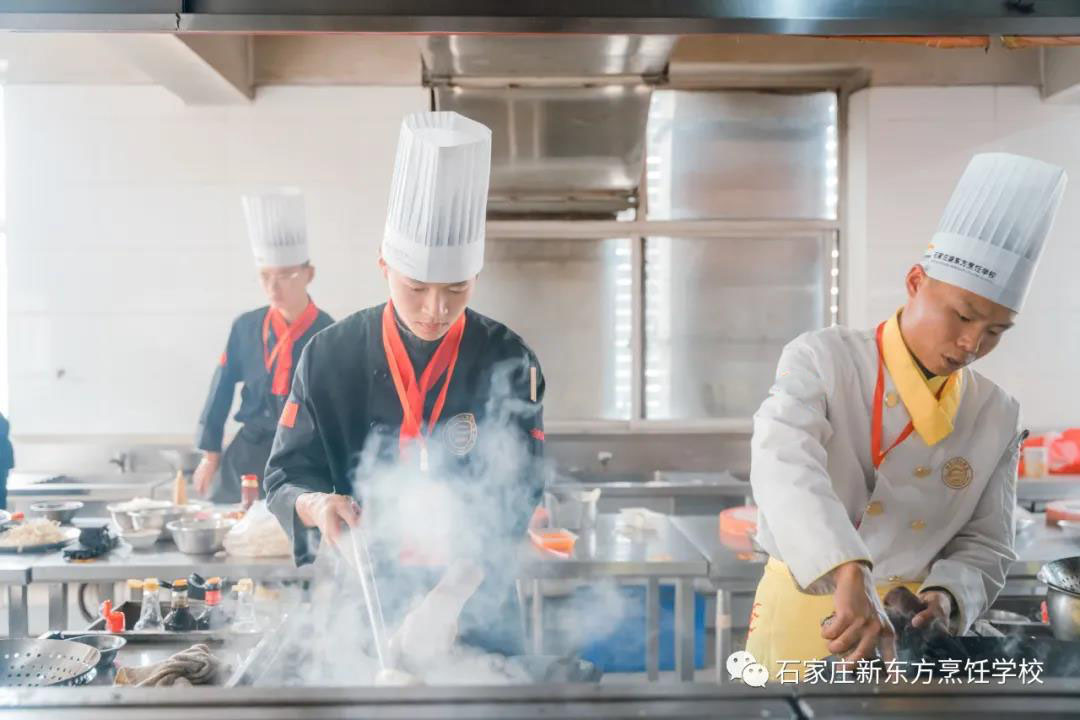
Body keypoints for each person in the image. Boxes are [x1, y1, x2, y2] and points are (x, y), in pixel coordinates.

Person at [746, 153, 1067, 677]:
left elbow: (987, 542)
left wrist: (945, 598)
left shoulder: (996, 412)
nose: (972, 344)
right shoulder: (824, 359)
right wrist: (847, 569)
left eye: (995, 331)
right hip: (807, 611)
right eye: (962, 316)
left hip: (913, 640)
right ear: (916, 281)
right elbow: (783, 465)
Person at [265, 111, 546, 657]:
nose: (436, 309)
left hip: (475, 597)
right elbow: (284, 477)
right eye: (417, 287)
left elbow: (519, 494)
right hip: (368, 599)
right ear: (384, 268)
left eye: (457, 289)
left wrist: (448, 600)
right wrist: (317, 506)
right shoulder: (329, 356)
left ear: (475, 277)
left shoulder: (509, 359)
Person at [193, 190, 333, 504]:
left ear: (309, 274)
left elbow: (338, 409)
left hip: (303, 455)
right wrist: (210, 454)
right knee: (229, 520)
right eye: (265, 276)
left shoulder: (329, 334)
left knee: (294, 526)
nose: (273, 287)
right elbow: (221, 388)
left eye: (285, 276)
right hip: (249, 450)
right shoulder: (245, 326)